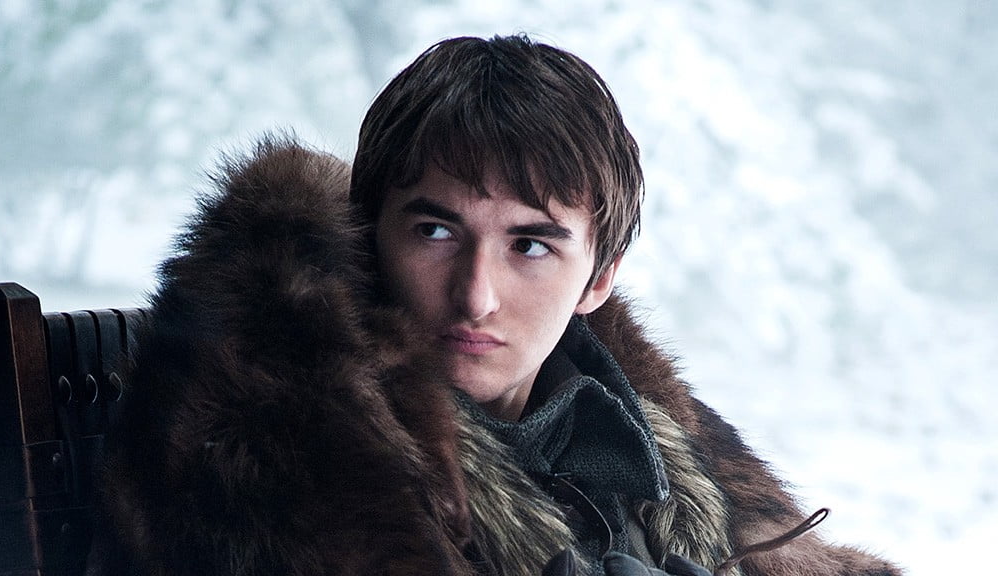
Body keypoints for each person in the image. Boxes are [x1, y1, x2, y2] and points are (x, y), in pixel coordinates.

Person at [87, 35, 902, 576]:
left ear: (598, 280)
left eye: (531, 246)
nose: (476, 295)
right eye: (437, 231)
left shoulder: (645, 434)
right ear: (368, 236)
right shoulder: (275, 447)